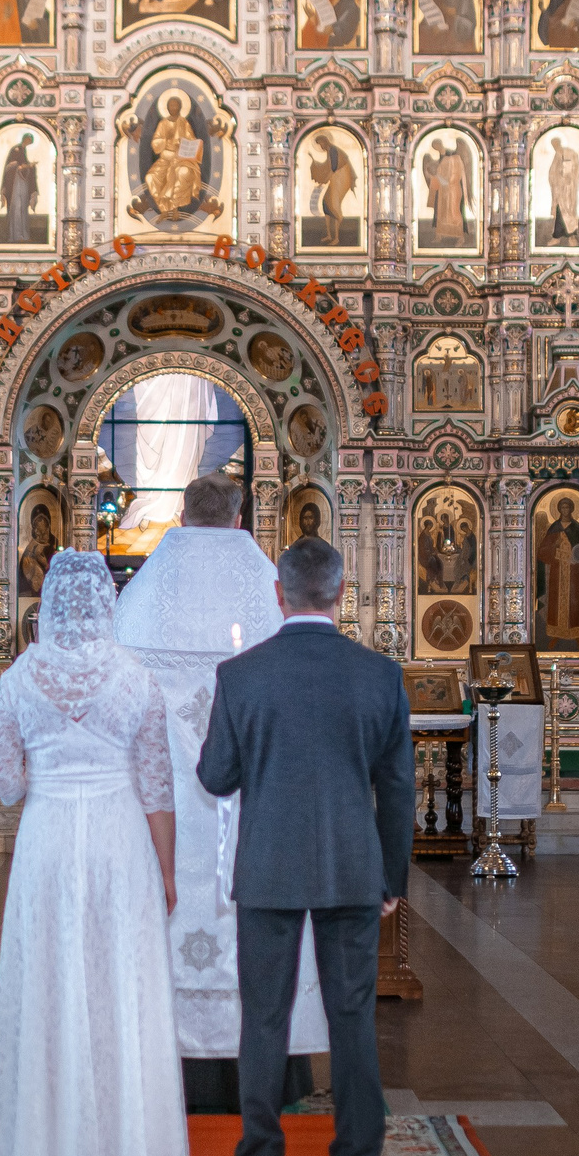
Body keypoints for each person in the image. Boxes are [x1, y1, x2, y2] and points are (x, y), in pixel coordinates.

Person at [196, 536, 413, 1156]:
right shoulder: (380, 675)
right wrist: (392, 878)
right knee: (352, 1016)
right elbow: (399, 787)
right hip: (354, 865)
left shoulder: (242, 674)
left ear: (278, 591)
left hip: (268, 865)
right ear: (342, 592)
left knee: (264, 1015)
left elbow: (214, 774)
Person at [110, 472, 331, 1115]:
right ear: (240, 515)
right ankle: (270, 1078)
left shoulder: (142, 595)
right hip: (255, 810)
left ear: (183, 513)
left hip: (166, 812)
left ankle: (167, 1076)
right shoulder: (268, 594)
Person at [0, 551, 190, 1156]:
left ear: (50, 607)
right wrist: (168, 873)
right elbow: (157, 789)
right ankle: (116, 1147)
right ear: (105, 605)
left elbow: (4, 784)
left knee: (50, 979)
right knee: (114, 982)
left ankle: (51, 1147)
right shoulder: (136, 680)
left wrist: (47, 768)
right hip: (118, 841)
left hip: (47, 842)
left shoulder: (17, 679)